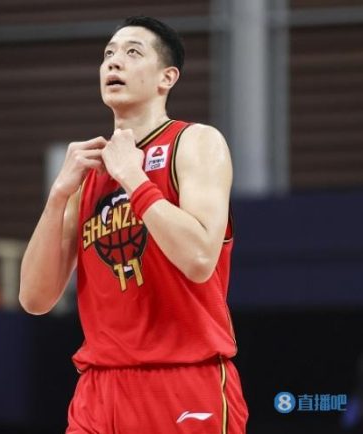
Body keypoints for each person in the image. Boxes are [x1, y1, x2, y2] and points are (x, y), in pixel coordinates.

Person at [19, 15, 249, 433]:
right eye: (108, 54)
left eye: (132, 53)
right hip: (98, 387)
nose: (113, 62)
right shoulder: (88, 172)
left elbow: (200, 258)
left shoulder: (195, 142)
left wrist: (133, 177)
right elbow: (35, 299)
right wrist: (58, 196)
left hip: (182, 380)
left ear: (167, 77)